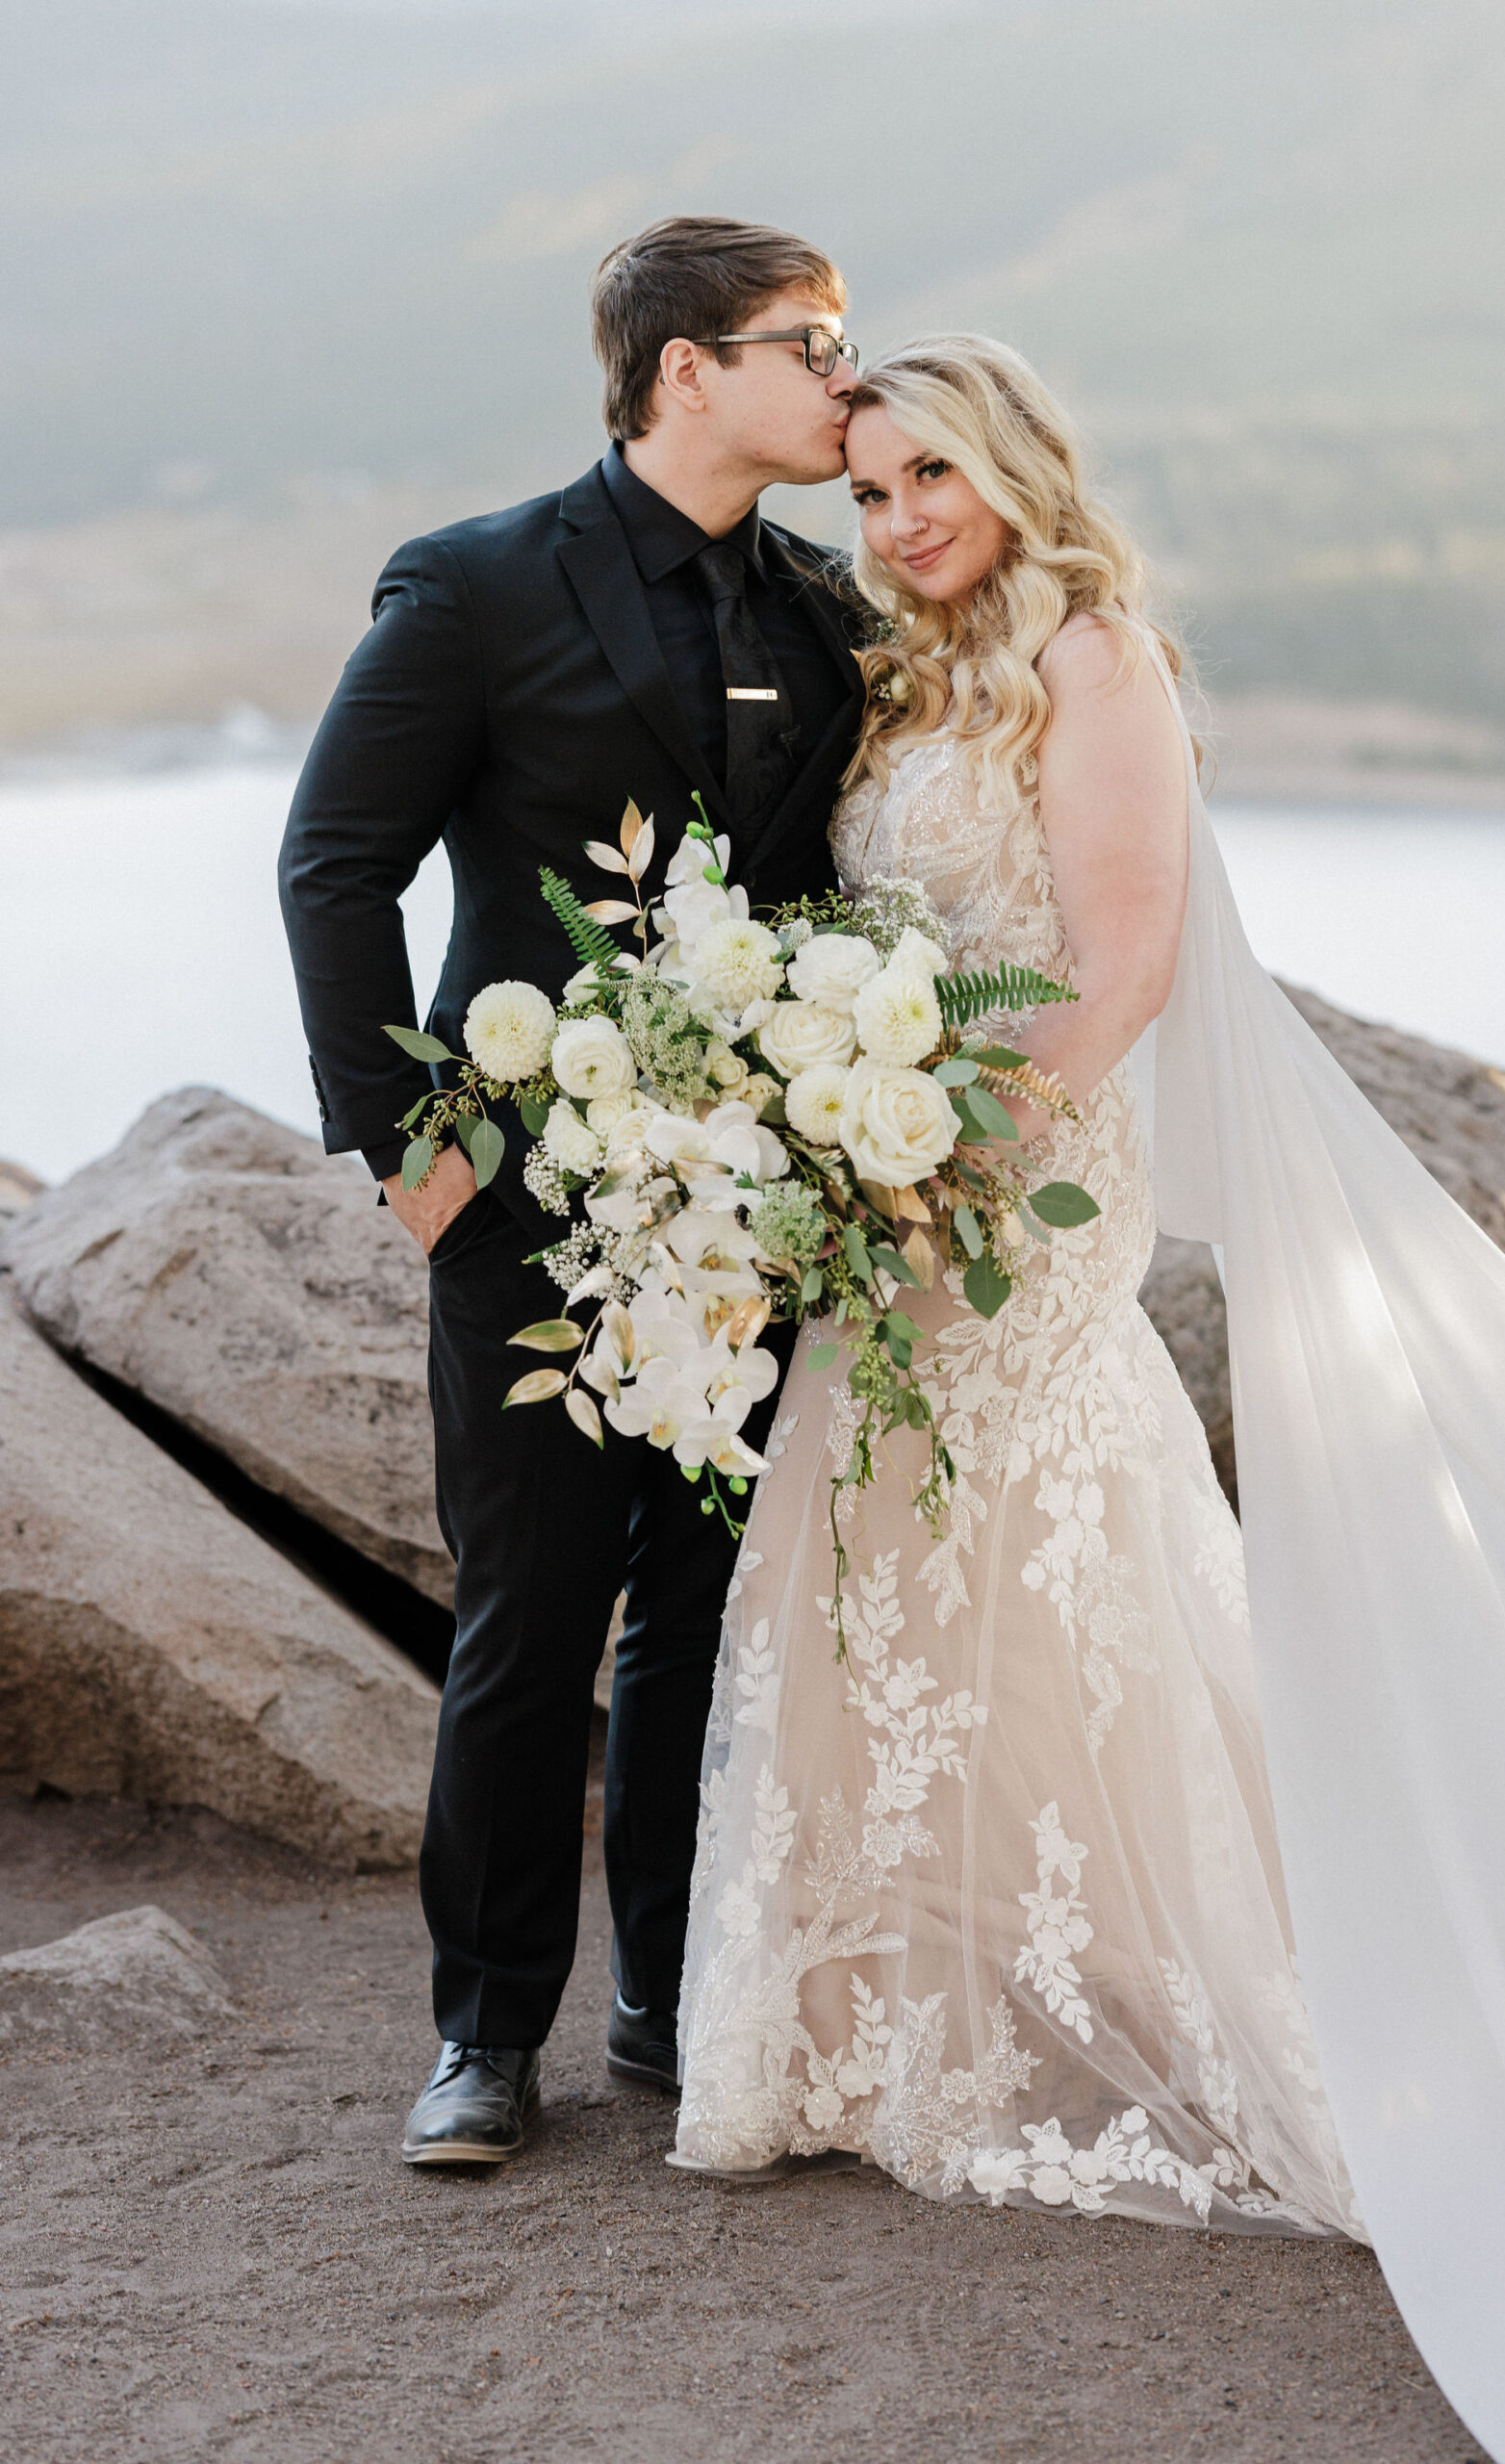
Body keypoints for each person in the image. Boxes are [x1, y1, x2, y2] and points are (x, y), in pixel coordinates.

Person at [673, 337, 1505, 2464]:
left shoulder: (1089, 657)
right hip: (888, 1182)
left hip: (1017, 1184)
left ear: (1015, 462)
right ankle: (876, 2024)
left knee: (1055, 1534)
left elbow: (1114, 967)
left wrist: (950, 1152)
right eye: (870, 490)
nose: (902, 517)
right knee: (872, 1541)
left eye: (932, 473)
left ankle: (1192, 1988)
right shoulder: (913, 671)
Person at [278, 217, 863, 2166]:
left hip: (756, 1205)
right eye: (810, 343)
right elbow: (333, 869)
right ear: (682, 368)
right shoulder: (467, 585)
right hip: (525, 1204)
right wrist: (416, 1156)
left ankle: (672, 1998)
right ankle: (481, 2034)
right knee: (525, 1619)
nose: (842, 381)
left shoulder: (818, 612)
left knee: (703, 1619)